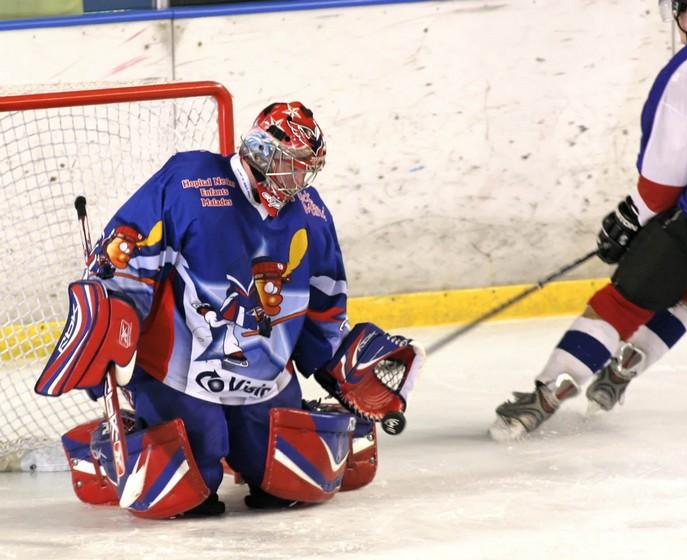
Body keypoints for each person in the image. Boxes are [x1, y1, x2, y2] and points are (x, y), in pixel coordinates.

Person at [35, 101, 423, 517]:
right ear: (260, 152)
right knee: (185, 487)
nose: (297, 178)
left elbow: (324, 300)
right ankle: (111, 444)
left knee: (296, 478)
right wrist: (109, 326)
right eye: (289, 164)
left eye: (304, 168)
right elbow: (130, 256)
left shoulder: (310, 213)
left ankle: (247, 437)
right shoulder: (191, 182)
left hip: (262, 378)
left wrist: (341, 361)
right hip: (177, 372)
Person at [490, 0, 687, 440]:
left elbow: (660, 186)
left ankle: (542, 399)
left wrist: (629, 221)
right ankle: (624, 370)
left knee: (621, 304)